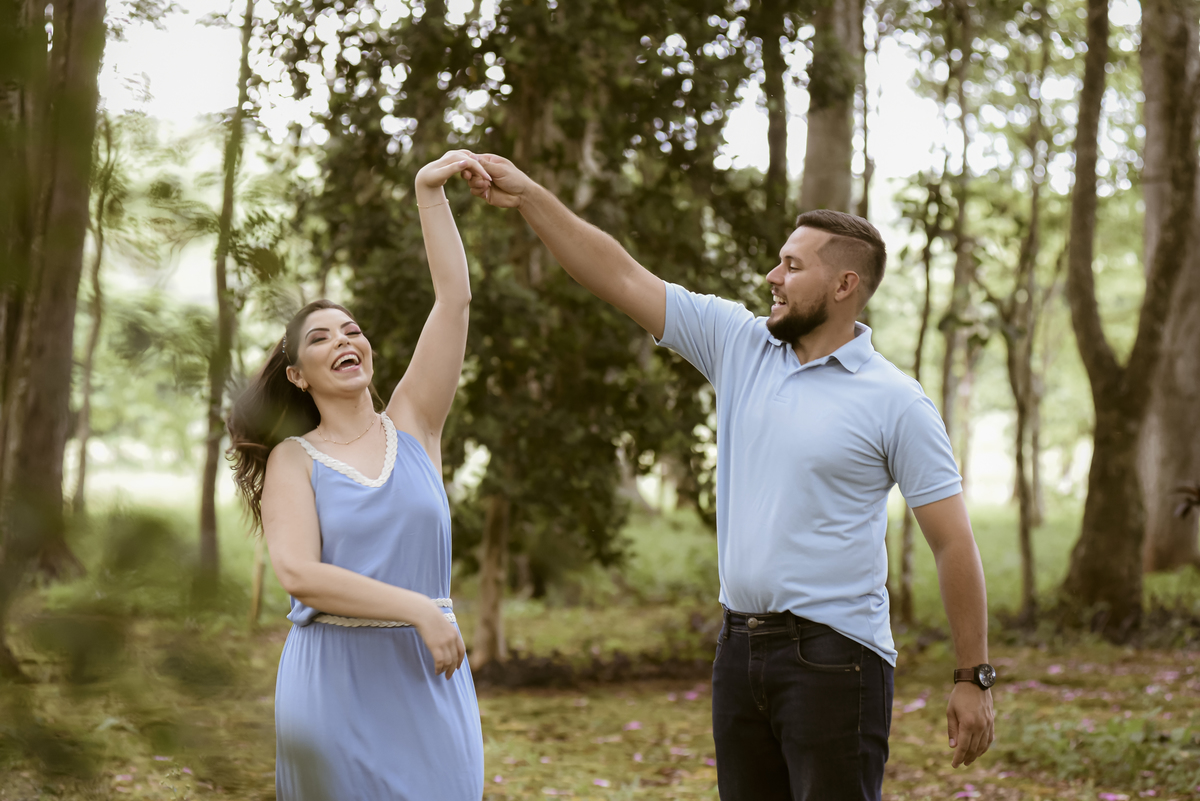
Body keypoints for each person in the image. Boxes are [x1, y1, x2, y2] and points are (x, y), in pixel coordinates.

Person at [464, 155, 996, 801]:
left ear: (844, 284)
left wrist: (973, 675)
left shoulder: (897, 401)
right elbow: (618, 274)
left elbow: (952, 541)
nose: (772, 276)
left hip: (837, 659)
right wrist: (528, 198)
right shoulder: (739, 346)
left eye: (793, 266)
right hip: (739, 649)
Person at [227, 151, 492, 800]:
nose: (344, 339)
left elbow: (454, 299)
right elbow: (299, 575)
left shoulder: (416, 424)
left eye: (351, 329)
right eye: (319, 338)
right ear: (297, 373)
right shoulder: (295, 458)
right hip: (335, 688)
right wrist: (419, 611)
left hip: (430, 684)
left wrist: (428, 191)